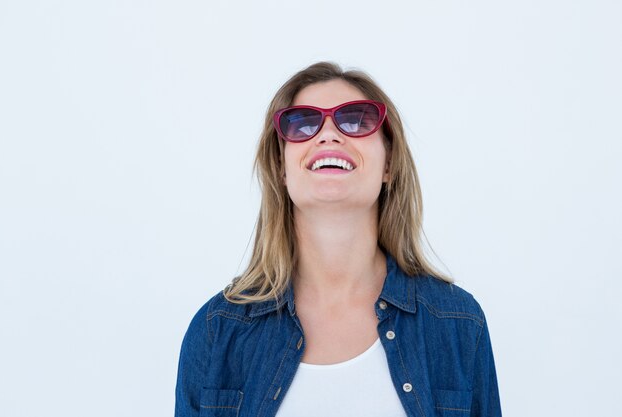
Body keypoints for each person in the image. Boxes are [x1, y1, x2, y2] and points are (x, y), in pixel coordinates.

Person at [174, 62, 502, 417]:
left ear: (388, 163)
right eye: (302, 123)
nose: (328, 135)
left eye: (357, 120)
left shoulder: (457, 324)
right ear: (282, 168)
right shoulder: (217, 330)